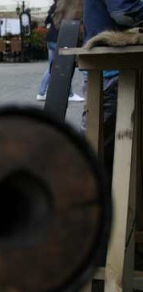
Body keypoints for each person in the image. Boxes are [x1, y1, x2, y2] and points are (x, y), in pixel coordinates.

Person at [80, 0, 143, 172]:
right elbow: (124, 12)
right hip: (113, 68)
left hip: (110, 67)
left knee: (100, 139)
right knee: (99, 137)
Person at [36, 0, 85, 102]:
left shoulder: (54, 6)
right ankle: (69, 94)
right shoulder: (65, 4)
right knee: (66, 66)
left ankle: (41, 92)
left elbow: (47, 21)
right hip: (60, 38)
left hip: (50, 38)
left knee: (53, 67)